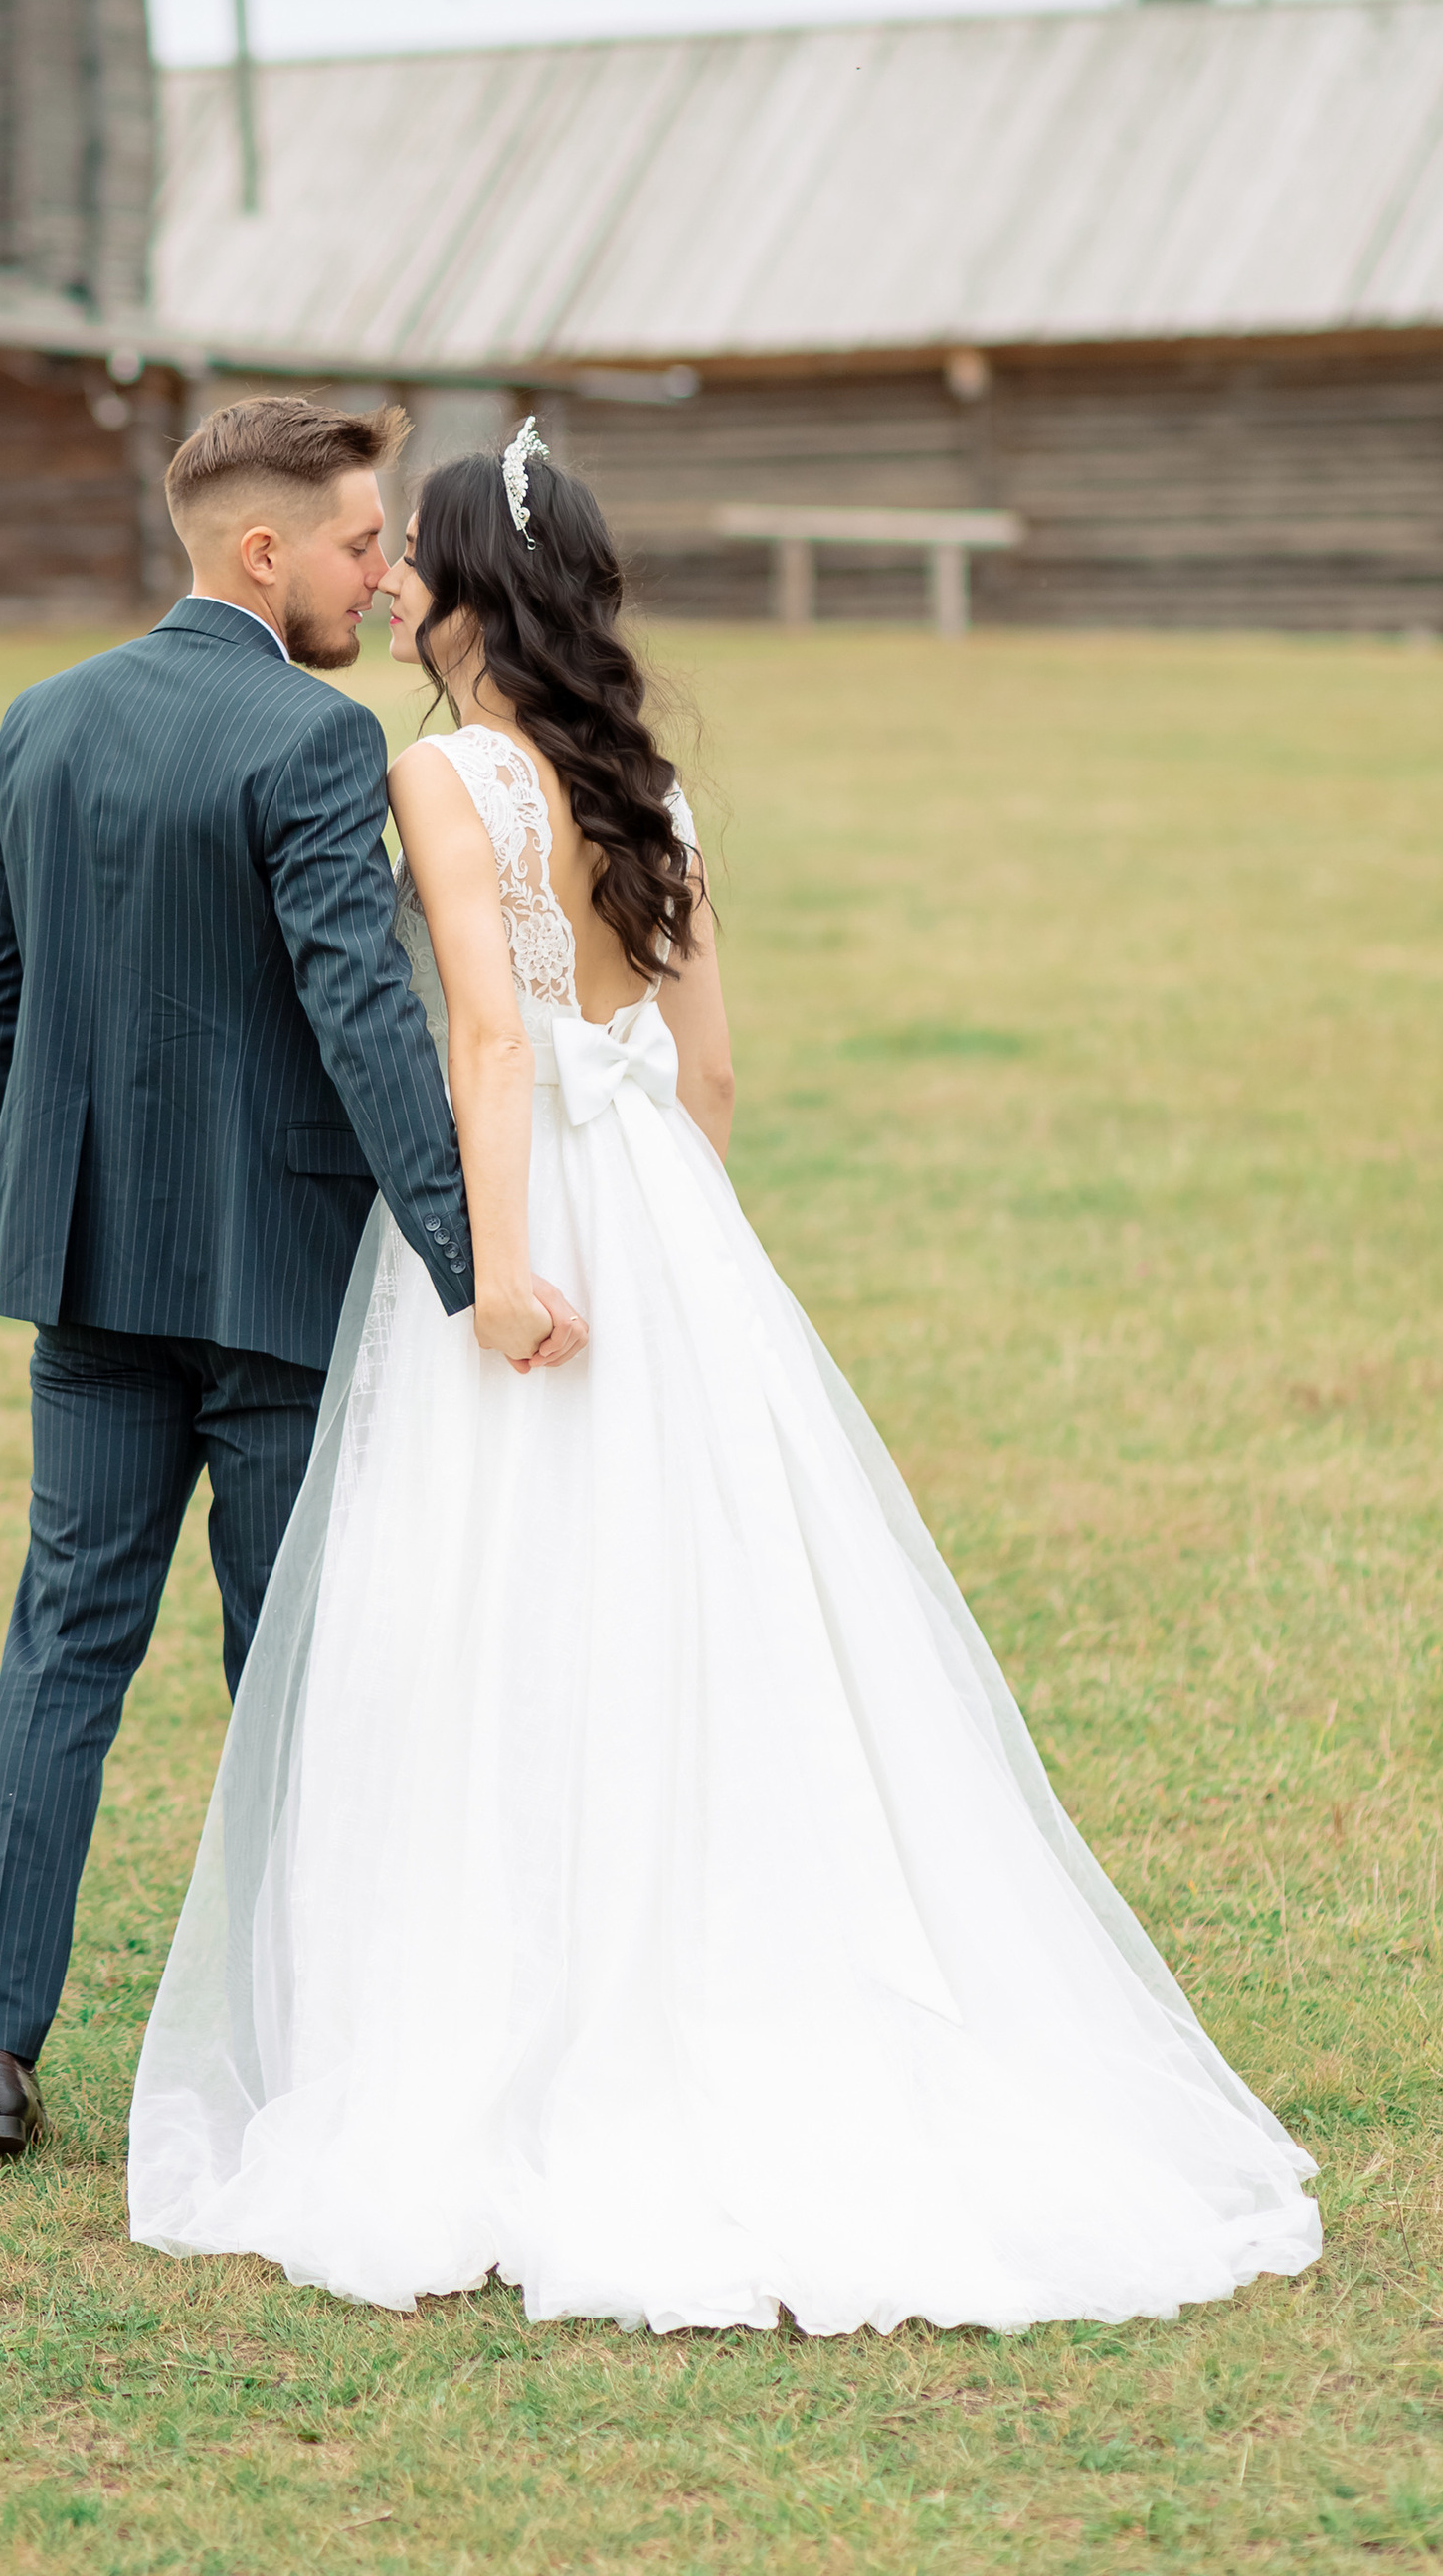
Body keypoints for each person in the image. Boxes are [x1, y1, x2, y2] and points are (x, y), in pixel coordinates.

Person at [127, 419, 1322, 2333]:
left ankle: (498, 2018)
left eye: (417, 554)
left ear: (474, 591)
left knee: (490, 1601)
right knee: (700, 1594)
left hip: (530, 1209)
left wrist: (498, 1271)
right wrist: (678, 1246)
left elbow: (489, 1046)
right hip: (667, 1216)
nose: (396, 579)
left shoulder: (445, 775)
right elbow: (713, 1070)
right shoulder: (650, 786)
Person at [0, 396, 549, 2165]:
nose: (382, 576)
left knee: (64, 1642)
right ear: (263, 551)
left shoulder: (44, 720)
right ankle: (303, 2044)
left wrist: (37, 1208)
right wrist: (471, 1262)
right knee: (287, 1661)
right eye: (359, 545)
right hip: (282, 1277)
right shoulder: (313, 738)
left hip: (89, 1274)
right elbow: (364, 1013)